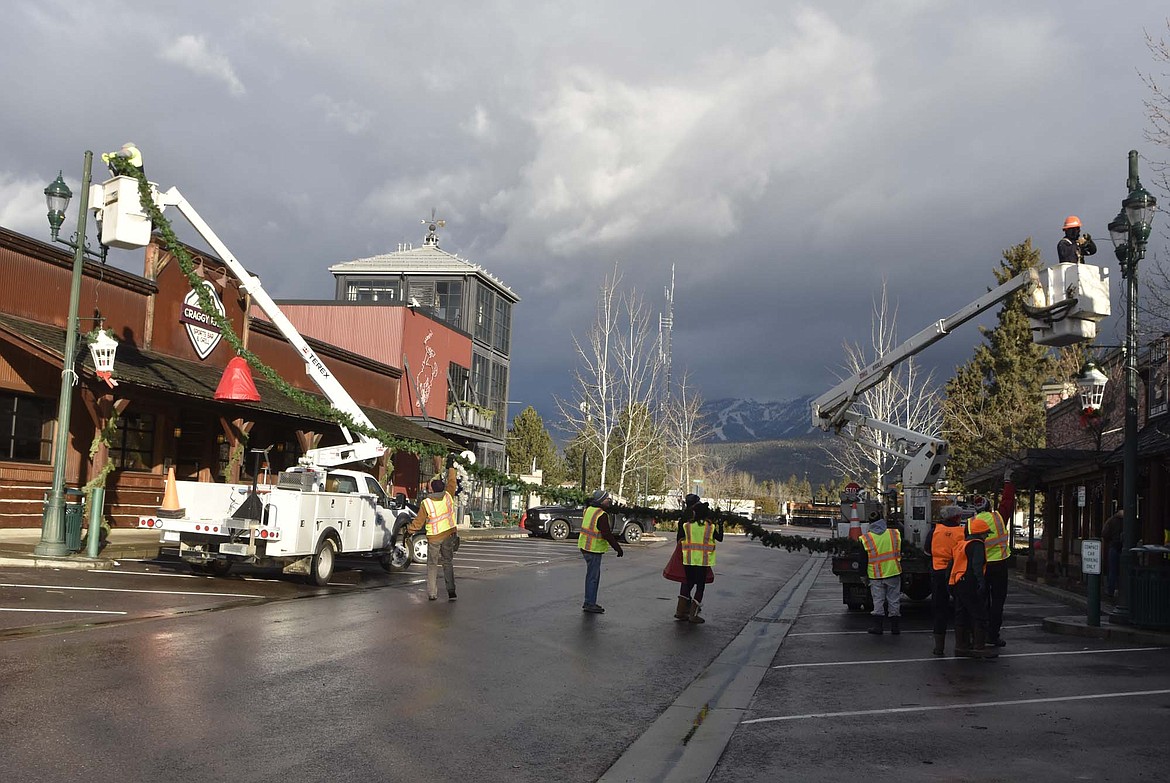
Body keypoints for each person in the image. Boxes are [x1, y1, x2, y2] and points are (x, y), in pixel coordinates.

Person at [971, 468, 1016, 647]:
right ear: (989, 507)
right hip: (999, 565)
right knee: (998, 601)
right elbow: (1008, 501)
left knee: (981, 601)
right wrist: (1008, 482)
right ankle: (993, 635)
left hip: (980, 567)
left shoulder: (970, 524)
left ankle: (979, 635)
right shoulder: (998, 517)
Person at [406, 457, 460, 601]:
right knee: (447, 562)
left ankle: (432, 593)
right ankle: (451, 590)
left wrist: (409, 531)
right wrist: (451, 468)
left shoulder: (426, 503)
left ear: (431, 489)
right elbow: (452, 481)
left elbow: (418, 522)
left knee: (432, 565)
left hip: (434, 538)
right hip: (448, 536)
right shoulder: (448, 496)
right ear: (442, 488)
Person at [950, 517, 997, 659]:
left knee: (961, 614)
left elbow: (951, 565)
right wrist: (981, 582)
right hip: (970, 583)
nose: (986, 536)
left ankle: (961, 646)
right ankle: (979, 647)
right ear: (980, 533)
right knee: (979, 614)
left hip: (958, 582)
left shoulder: (961, 544)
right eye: (985, 534)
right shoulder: (977, 545)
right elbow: (977, 565)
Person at [924, 504, 967, 656]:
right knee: (960, 608)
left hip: (938, 572)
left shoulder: (934, 531)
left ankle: (939, 647)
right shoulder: (962, 532)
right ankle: (961, 644)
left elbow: (927, 550)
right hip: (957, 573)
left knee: (939, 608)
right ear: (957, 517)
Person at [578, 489, 624, 613]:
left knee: (591, 576)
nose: (608, 501)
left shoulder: (588, 510)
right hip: (593, 548)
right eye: (606, 499)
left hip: (584, 546)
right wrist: (618, 548)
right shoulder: (601, 514)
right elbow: (607, 534)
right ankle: (590, 603)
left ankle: (589, 601)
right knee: (593, 577)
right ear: (601, 500)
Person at [677, 501, 723, 624]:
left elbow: (680, 539)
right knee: (700, 587)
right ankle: (693, 615)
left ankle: (680, 611)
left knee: (688, 584)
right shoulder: (710, 527)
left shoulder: (687, 526)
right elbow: (720, 538)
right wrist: (721, 524)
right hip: (703, 561)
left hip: (689, 560)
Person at [858, 511, 902, 635]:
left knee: (878, 601)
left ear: (870, 523)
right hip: (893, 572)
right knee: (894, 600)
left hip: (876, 575)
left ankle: (878, 627)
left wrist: (863, 576)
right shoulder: (894, 534)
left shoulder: (866, 538)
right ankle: (895, 627)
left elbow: (863, 560)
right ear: (883, 520)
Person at [1102, 508, 1124, 598]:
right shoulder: (1127, 520)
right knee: (1117, 570)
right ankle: (1117, 589)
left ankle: (1111, 590)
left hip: (1114, 546)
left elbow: (1105, 533)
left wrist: (1111, 541)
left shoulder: (1111, 521)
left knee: (1113, 570)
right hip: (1120, 547)